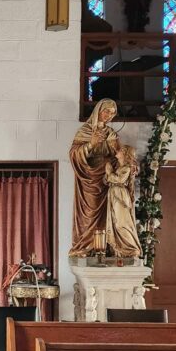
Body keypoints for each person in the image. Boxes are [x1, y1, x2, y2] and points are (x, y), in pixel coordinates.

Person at [69, 99, 121, 257]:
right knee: (89, 213)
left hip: (107, 179)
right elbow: (74, 154)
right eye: (106, 111)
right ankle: (86, 246)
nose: (108, 116)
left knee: (108, 213)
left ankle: (105, 247)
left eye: (112, 113)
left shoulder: (111, 134)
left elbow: (119, 156)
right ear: (98, 110)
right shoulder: (84, 131)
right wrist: (90, 144)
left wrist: (128, 165)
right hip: (89, 180)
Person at [104, 144, 142, 259]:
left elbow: (119, 179)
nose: (117, 151)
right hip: (114, 194)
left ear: (125, 154)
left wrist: (109, 172)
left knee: (122, 223)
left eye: (120, 150)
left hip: (120, 196)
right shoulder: (120, 168)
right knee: (115, 222)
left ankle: (131, 248)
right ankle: (120, 249)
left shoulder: (127, 168)